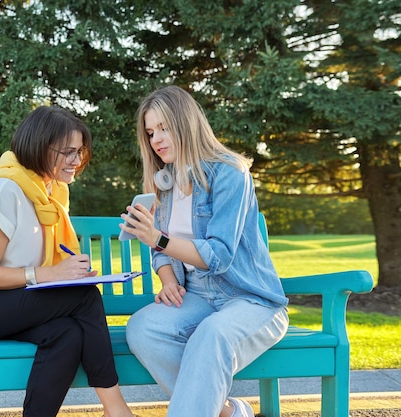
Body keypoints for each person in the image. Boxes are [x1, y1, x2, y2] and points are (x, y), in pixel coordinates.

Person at [0, 106, 135, 417]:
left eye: (80, 152)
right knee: (84, 298)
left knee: (68, 333)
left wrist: (67, 274)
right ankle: (116, 409)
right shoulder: (5, 189)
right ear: (42, 148)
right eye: (69, 152)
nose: (78, 160)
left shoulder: (47, 193)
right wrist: (51, 274)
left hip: (8, 301)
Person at [122, 86, 289, 417]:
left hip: (250, 299)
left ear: (186, 123)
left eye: (164, 127)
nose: (156, 139)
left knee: (210, 335)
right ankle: (227, 412)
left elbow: (219, 254)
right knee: (142, 329)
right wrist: (167, 278)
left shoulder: (230, 172)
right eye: (151, 131)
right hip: (196, 297)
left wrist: (158, 238)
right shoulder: (165, 182)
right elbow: (162, 253)